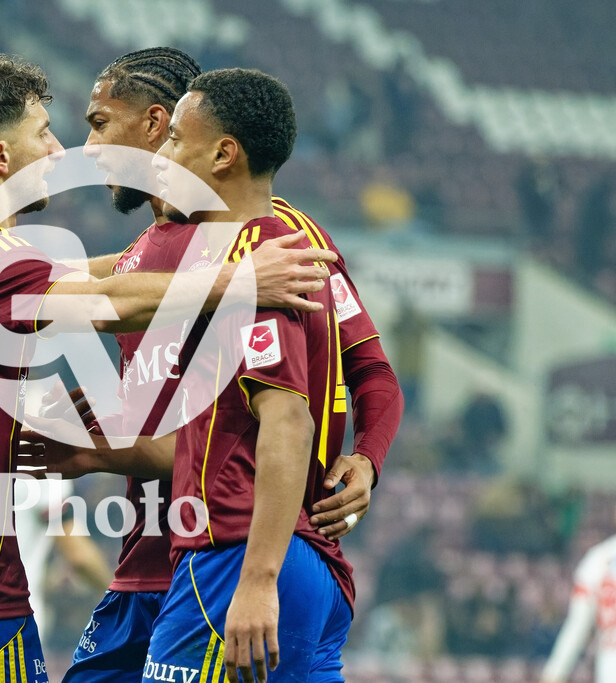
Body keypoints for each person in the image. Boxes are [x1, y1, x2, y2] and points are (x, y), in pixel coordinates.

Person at [0, 50, 340, 683]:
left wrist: (161, 251)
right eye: (43, 133)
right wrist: (238, 278)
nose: (61, 148)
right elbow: (104, 304)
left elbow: (91, 275)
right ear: (0, 158)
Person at [28, 49, 401, 682]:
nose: (86, 149)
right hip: (159, 552)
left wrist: (366, 456)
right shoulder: (156, 249)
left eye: (99, 123)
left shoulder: (279, 249)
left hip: (228, 546)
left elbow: (355, 384)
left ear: (155, 128)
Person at [541, 503, 616, 682]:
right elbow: (576, 627)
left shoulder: (598, 558)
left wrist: (554, 674)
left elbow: (576, 628)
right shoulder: (598, 560)